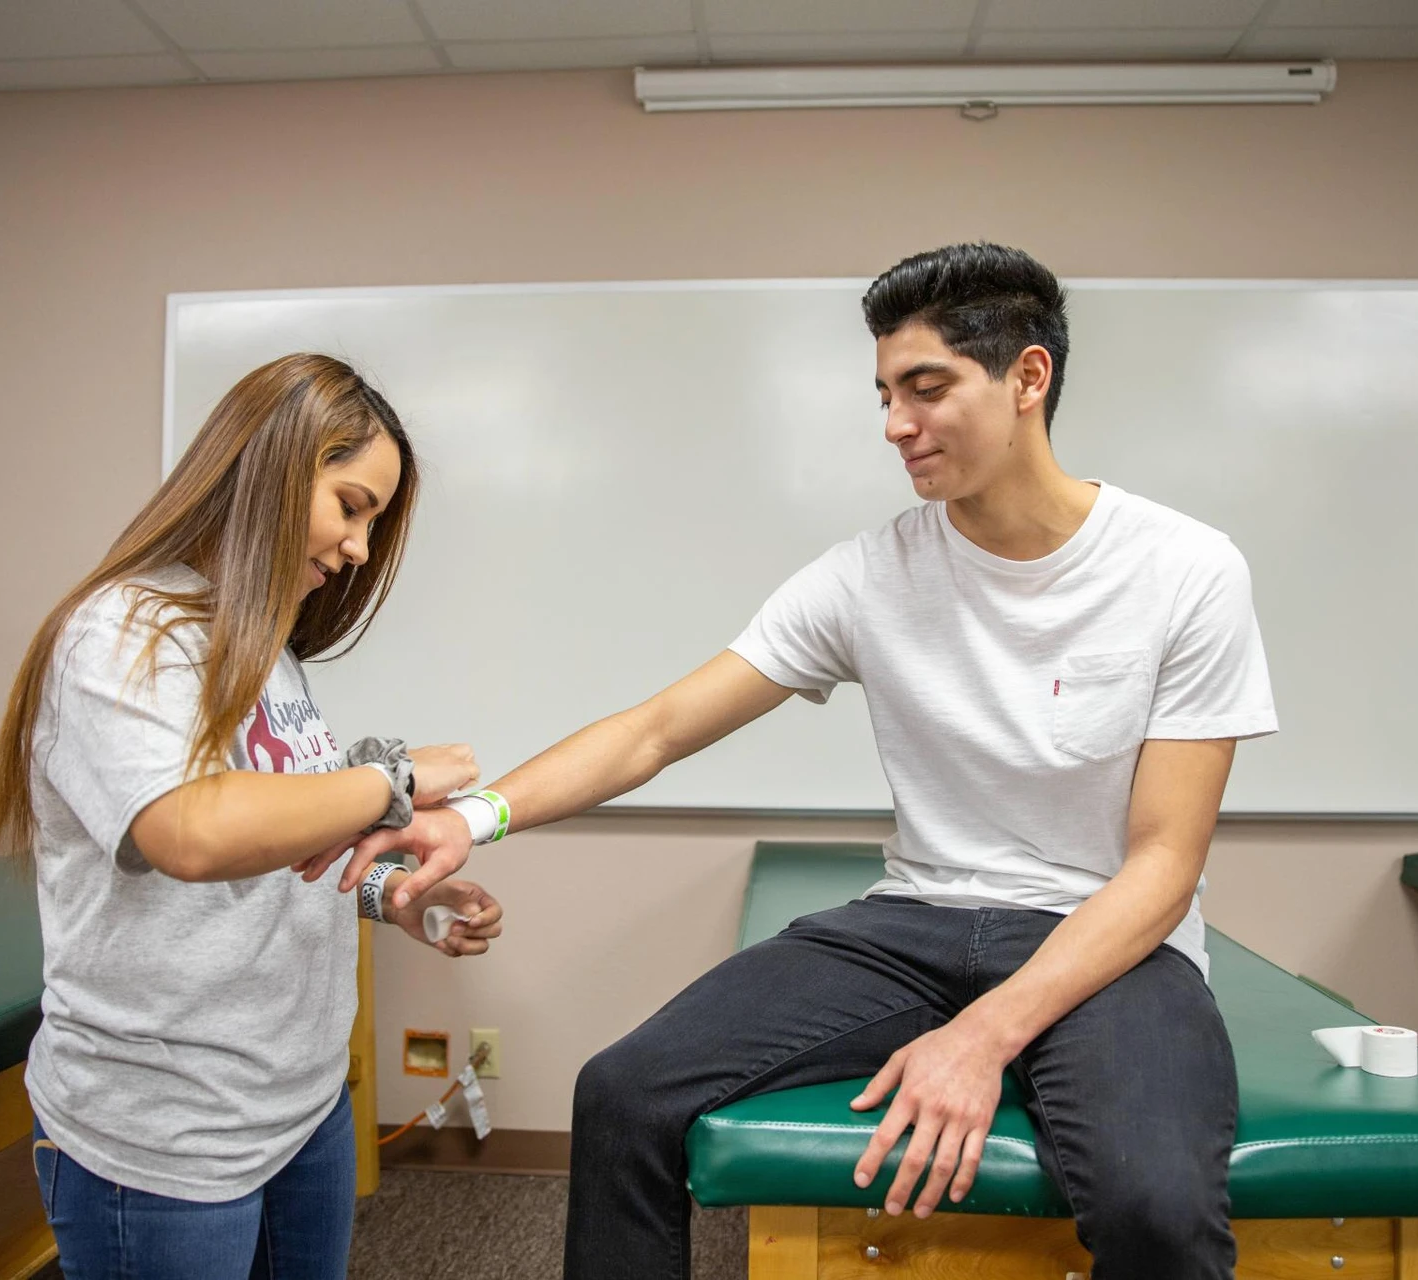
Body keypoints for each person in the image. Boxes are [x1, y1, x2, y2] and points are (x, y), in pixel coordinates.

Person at [314, 243, 1277, 1280]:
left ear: (1028, 378)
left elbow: (1163, 864)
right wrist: (476, 816)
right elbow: (657, 727)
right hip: (920, 922)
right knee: (624, 1093)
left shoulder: (1184, 569)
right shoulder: (873, 574)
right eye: (883, 393)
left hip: (1113, 942)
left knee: (1157, 1202)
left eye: (926, 387)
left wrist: (983, 1034)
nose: (895, 424)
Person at [0, 353, 502, 1279]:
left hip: (299, 1106)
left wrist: (391, 892)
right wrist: (392, 778)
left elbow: (283, 838)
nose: (358, 551)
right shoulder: (122, 634)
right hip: (169, 1136)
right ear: (270, 468)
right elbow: (193, 830)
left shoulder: (266, 650)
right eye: (351, 506)